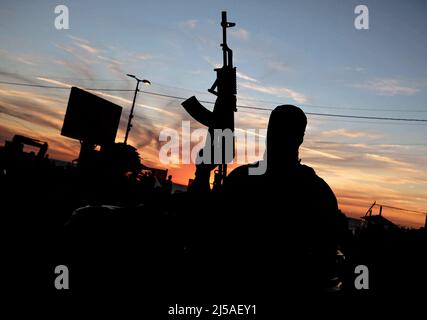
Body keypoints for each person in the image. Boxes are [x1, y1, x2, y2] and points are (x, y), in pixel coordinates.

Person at [223, 104, 345, 291]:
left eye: (282, 130)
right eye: (274, 129)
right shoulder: (319, 191)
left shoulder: (241, 179)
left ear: (300, 138)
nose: (275, 136)